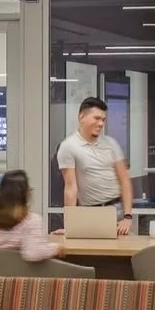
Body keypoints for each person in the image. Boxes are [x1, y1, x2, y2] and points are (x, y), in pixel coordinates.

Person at [57, 96, 133, 233]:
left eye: (103, 119)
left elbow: (125, 181)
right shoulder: (68, 147)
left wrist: (128, 216)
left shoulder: (111, 144)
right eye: (97, 118)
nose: (101, 124)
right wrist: (69, 225)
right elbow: (70, 188)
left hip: (116, 209)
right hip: (89, 211)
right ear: (82, 117)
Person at [0, 169, 60, 263]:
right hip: (27, 272)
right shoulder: (32, 220)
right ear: (26, 194)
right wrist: (56, 248)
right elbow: (34, 253)